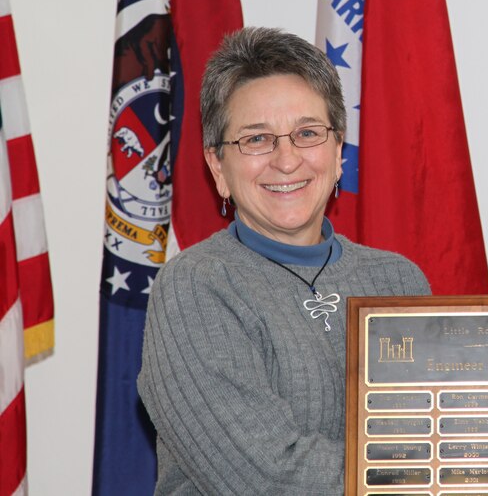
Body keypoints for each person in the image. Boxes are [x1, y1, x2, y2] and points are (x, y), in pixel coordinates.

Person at [137, 27, 430, 494]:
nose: (287, 160)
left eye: (308, 133)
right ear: (218, 167)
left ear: (337, 154)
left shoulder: (399, 281)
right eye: (256, 139)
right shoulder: (196, 287)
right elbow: (266, 477)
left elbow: (435, 429)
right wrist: (435, 474)